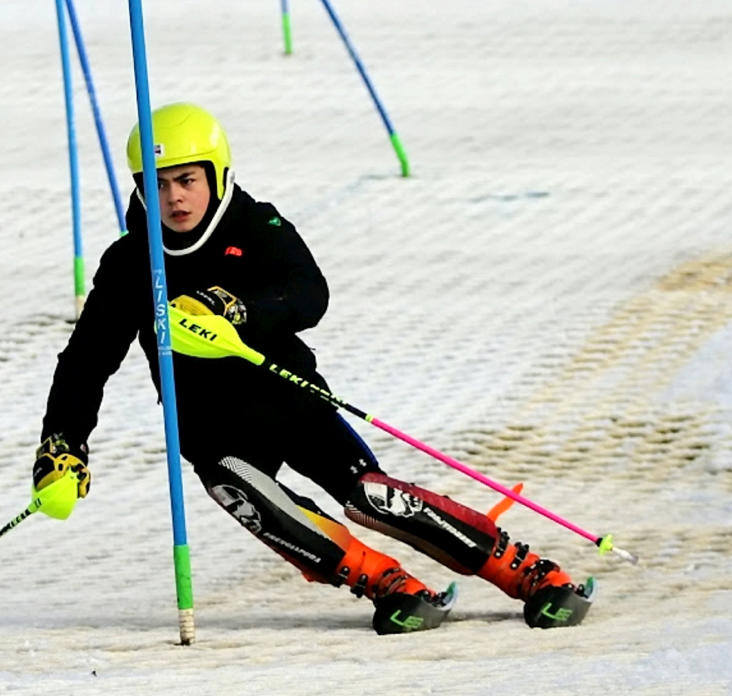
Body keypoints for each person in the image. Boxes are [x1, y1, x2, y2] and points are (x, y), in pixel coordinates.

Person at [32, 102, 594, 633]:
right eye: (157, 184)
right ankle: (389, 587)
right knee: (254, 497)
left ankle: (526, 572)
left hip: (289, 401)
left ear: (217, 175)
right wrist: (63, 444)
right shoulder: (132, 262)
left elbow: (309, 295)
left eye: (187, 180)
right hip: (210, 427)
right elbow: (85, 362)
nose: (174, 198)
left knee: (371, 499)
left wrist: (236, 309)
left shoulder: (257, 227)